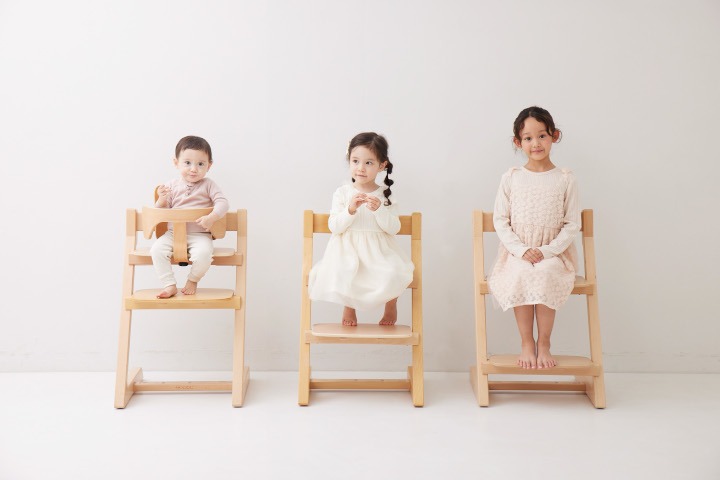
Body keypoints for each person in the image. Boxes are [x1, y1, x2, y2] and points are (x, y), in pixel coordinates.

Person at [488, 106, 580, 369]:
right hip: (517, 253)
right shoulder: (512, 177)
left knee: (546, 272)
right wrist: (520, 250)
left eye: (542, 136)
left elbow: (572, 223)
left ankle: (545, 343)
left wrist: (547, 251)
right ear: (518, 142)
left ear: (554, 136)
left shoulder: (565, 178)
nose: (536, 143)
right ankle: (527, 342)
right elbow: (500, 220)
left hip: (554, 254)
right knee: (521, 273)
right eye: (528, 138)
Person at [308, 132, 414, 326]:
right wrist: (350, 210)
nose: (361, 168)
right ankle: (349, 306)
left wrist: (380, 211)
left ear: (382, 165)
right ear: (349, 161)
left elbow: (394, 228)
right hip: (348, 250)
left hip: (378, 252)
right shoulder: (343, 193)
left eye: (369, 163)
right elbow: (334, 227)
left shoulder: (385, 195)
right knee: (345, 270)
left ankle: (391, 304)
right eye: (355, 161)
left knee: (393, 272)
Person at [150, 136, 229, 299]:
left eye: (200, 164)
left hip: (199, 234)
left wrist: (212, 217)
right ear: (176, 162)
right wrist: (162, 200)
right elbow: (161, 211)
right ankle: (169, 284)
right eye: (187, 163)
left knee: (204, 255)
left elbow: (223, 203)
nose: (193, 169)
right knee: (156, 250)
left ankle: (193, 280)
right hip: (172, 234)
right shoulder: (171, 186)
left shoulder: (208, 185)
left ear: (209, 166)